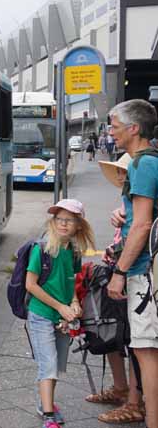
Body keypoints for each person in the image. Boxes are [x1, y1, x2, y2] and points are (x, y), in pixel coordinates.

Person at [106, 99, 158, 428]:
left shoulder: (142, 164)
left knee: (145, 352)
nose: (110, 132)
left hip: (143, 272)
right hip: (144, 268)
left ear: (133, 129)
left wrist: (119, 272)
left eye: (114, 125)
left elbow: (141, 226)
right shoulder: (149, 161)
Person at [85, 153, 145, 424]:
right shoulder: (126, 201)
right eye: (119, 172)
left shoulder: (141, 200)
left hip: (132, 276)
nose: (122, 177)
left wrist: (118, 267)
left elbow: (139, 234)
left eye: (126, 172)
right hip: (117, 273)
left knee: (134, 343)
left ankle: (135, 402)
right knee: (110, 332)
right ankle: (121, 389)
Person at [25, 199, 95, 428]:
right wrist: (60, 307)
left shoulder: (74, 252)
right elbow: (31, 285)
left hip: (63, 318)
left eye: (70, 220)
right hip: (42, 314)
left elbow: (71, 281)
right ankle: (48, 415)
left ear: (78, 226)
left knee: (56, 365)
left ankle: (46, 404)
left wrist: (74, 302)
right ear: (53, 222)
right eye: (59, 219)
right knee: (49, 364)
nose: (63, 224)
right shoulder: (43, 248)